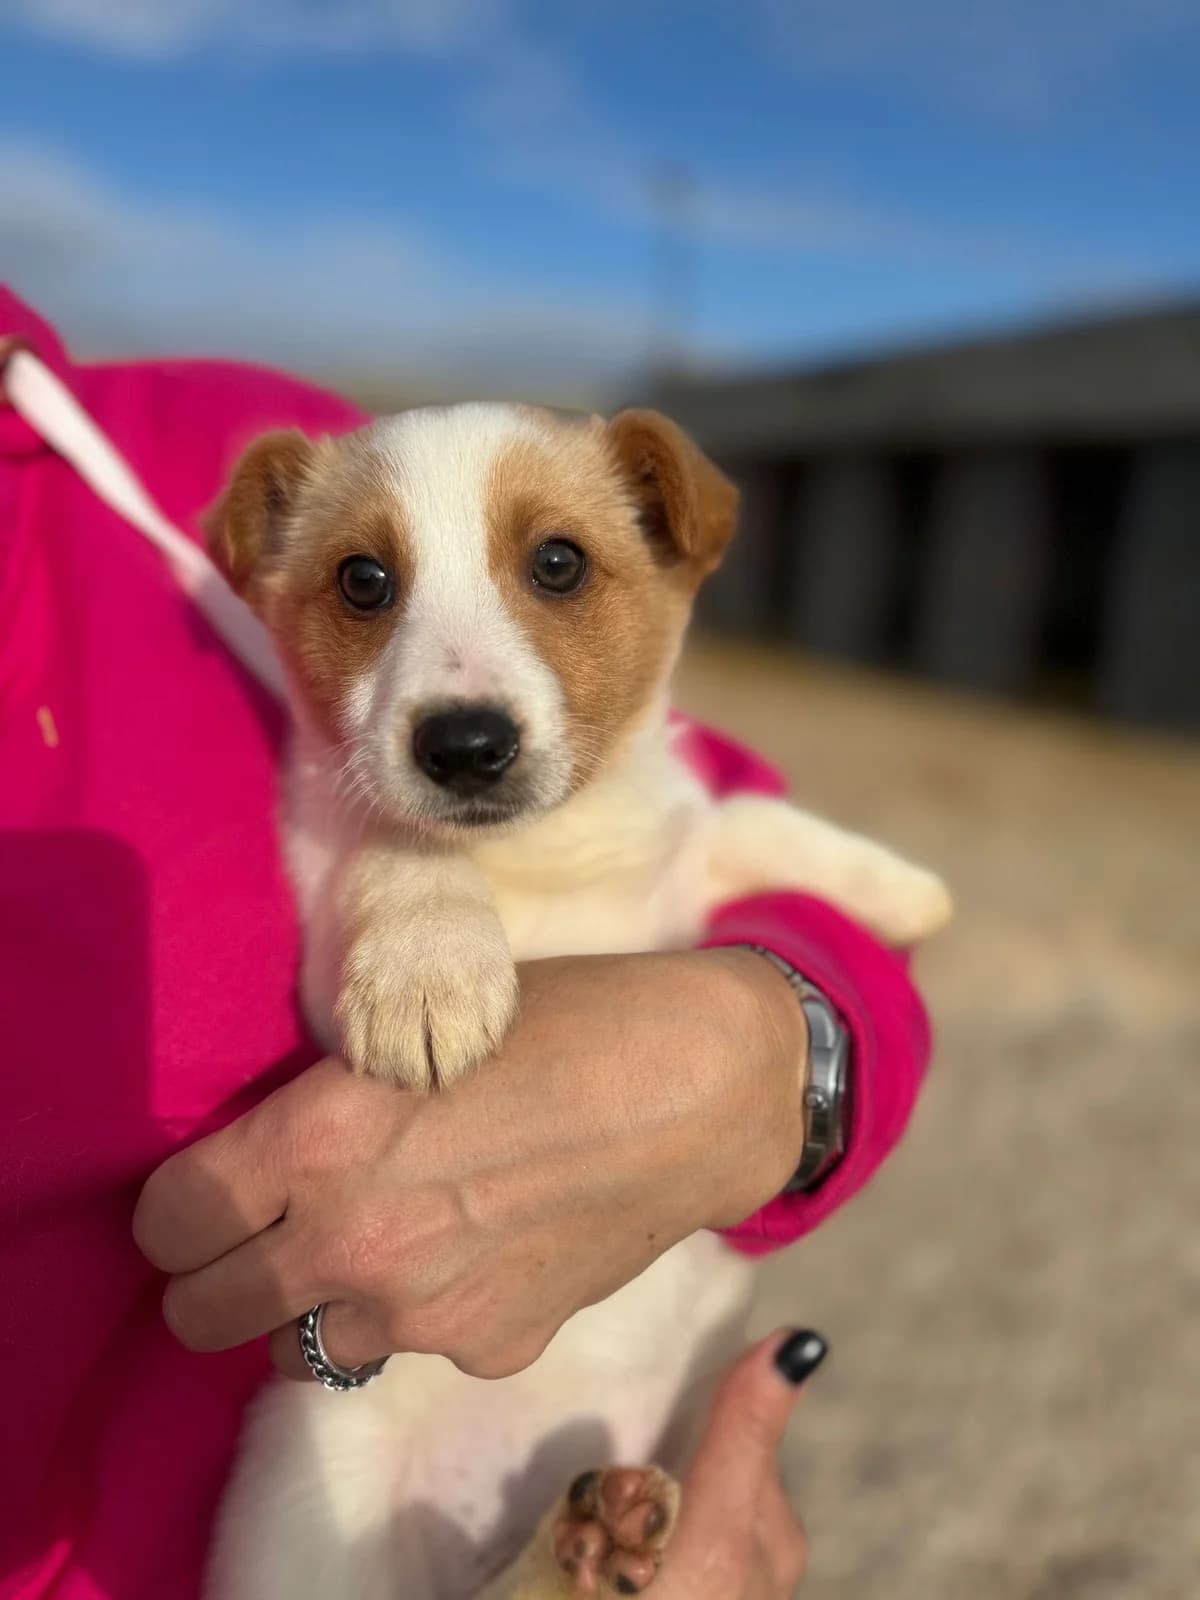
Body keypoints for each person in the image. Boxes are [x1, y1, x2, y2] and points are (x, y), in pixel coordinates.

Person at [0, 286, 931, 1600]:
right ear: (276, 574)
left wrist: (791, 1031)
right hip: (352, 1446)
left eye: (556, 568)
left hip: (615, 1414)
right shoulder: (343, 787)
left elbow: (779, 896)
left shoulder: (147, 460)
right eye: (366, 586)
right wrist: (412, 883)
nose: (461, 680)